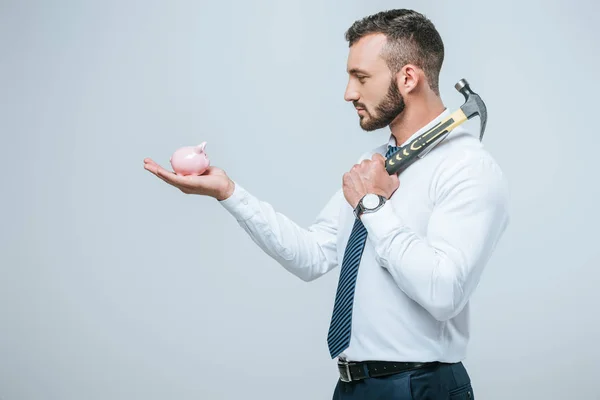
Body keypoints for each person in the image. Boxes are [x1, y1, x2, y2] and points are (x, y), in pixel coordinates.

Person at [143, 8, 509, 400]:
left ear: (407, 77)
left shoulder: (467, 168)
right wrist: (230, 193)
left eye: (361, 77)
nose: (349, 92)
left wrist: (373, 206)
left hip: (419, 388)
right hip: (352, 387)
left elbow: (444, 294)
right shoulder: (372, 166)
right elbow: (312, 256)